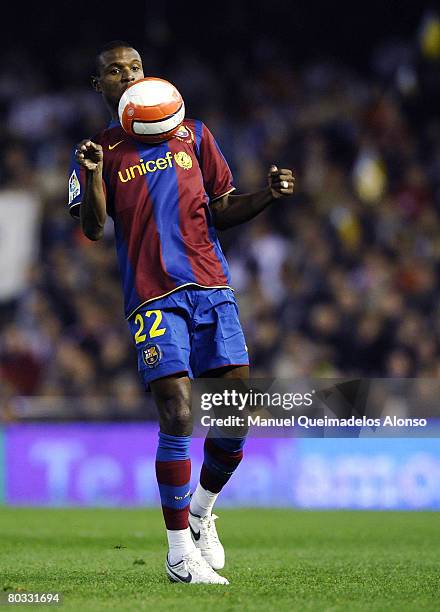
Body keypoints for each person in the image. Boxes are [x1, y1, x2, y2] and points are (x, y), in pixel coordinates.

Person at [68, 40, 295, 585]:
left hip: (211, 288)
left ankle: (200, 513)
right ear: (101, 87)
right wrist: (95, 174)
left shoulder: (194, 134)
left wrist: (264, 194)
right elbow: (94, 229)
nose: (128, 75)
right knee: (176, 412)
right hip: (152, 296)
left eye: (136, 67)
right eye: (115, 72)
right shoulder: (97, 150)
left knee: (235, 414)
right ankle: (177, 556)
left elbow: (221, 208)